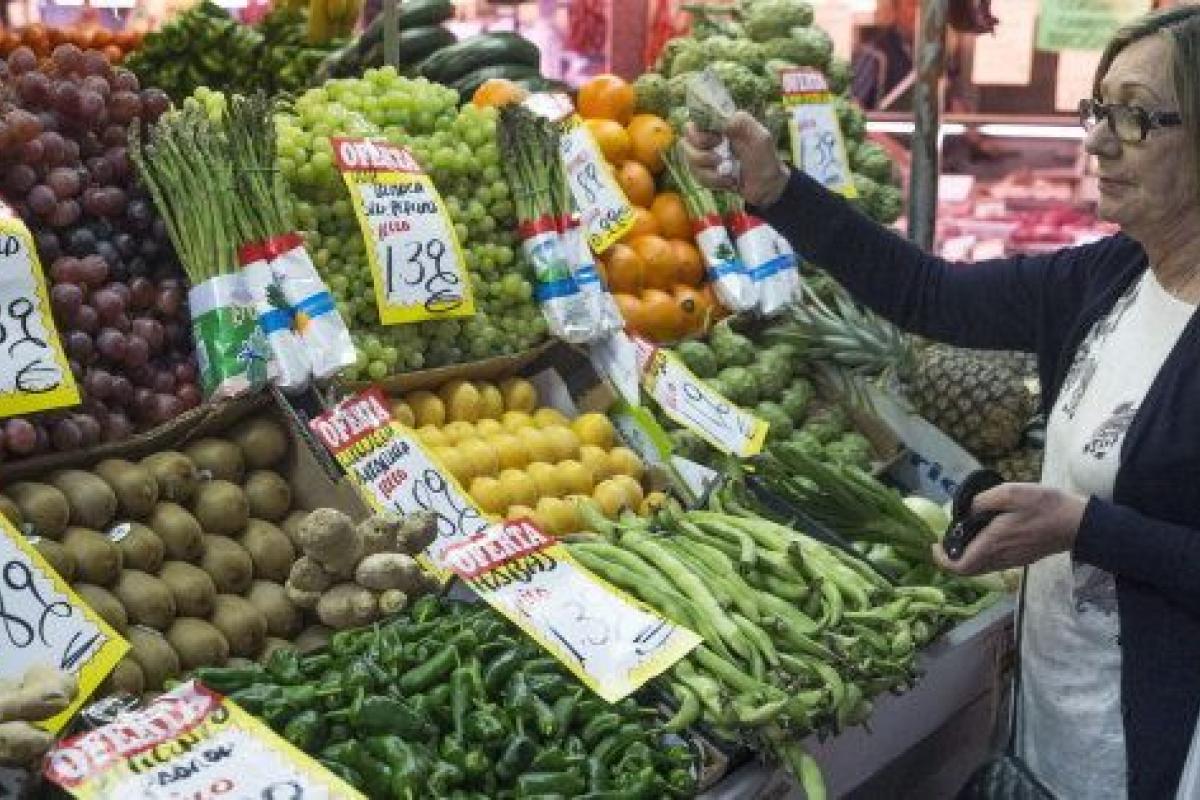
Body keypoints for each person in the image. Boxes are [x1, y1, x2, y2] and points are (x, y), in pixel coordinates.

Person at [684, 7, 1200, 799]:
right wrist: (777, 190)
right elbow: (929, 294)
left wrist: (1085, 528)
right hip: (1063, 715)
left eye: (1135, 115)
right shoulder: (1114, 277)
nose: (1098, 141)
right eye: (1097, 110)